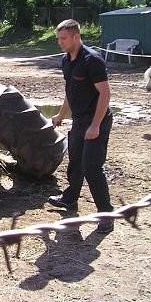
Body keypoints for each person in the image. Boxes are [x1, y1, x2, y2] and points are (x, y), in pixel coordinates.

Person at [47, 19, 115, 234]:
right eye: (58, 38)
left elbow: (105, 93)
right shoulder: (66, 61)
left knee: (92, 167)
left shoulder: (91, 60)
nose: (60, 42)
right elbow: (71, 90)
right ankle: (70, 199)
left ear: (76, 37)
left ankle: (106, 215)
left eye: (63, 38)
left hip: (97, 119)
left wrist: (95, 125)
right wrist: (61, 114)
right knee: (75, 161)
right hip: (79, 120)